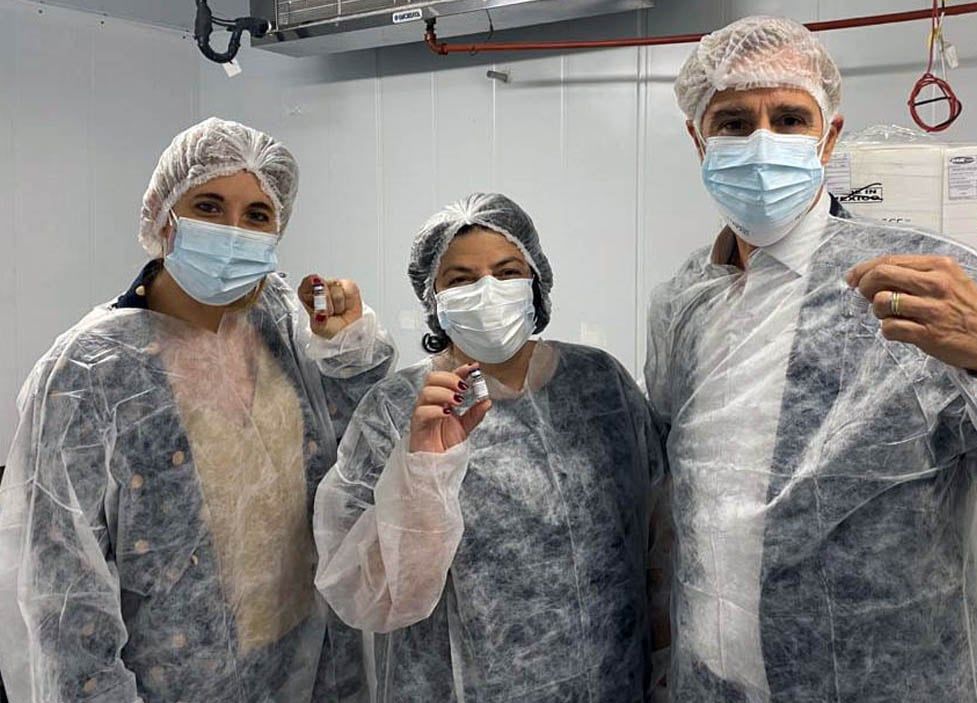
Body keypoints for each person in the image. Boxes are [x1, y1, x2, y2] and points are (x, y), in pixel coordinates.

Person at [647, 16, 977, 701]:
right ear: (697, 139)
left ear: (828, 136)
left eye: (790, 118)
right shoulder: (685, 305)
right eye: (734, 121)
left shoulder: (925, 282)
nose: (761, 141)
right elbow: (681, 507)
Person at [0, 118, 396, 702]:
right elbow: (64, 596)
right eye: (209, 206)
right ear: (162, 216)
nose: (234, 232)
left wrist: (346, 357)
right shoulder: (89, 370)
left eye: (257, 215)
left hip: (305, 670)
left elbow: (347, 479)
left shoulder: (278, 326)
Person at [314, 193, 669, 702]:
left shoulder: (601, 387)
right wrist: (422, 471)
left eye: (506, 272)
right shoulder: (396, 412)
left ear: (536, 283)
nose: (487, 292)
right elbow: (367, 594)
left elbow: (660, 539)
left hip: (611, 683)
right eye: (460, 280)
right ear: (433, 300)